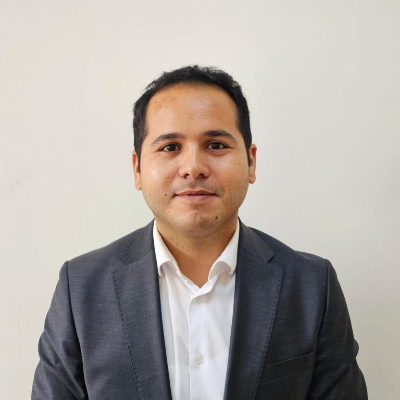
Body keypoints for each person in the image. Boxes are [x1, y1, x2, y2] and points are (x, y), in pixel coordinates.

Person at [32, 65, 368, 400]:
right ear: (137, 169)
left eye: (216, 145)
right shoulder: (81, 289)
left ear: (251, 162)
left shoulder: (312, 286)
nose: (193, 167)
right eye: (170, 147)